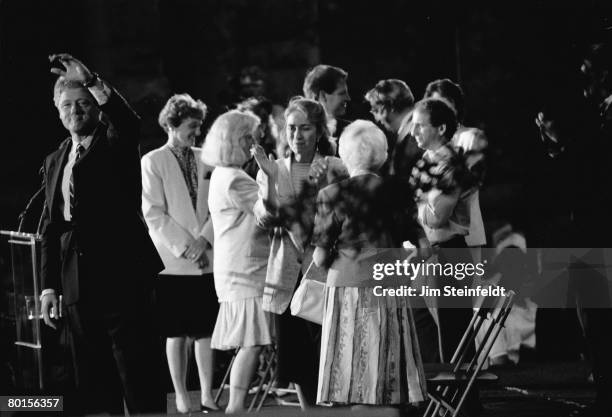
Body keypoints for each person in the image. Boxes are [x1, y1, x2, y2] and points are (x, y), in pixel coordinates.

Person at [39, 53, 165, 415]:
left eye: (83, 103)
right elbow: (51, 228)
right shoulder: (55, 160)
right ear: (57, 110)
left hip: (123, 281)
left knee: (138, 378)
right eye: (67, 105)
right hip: (78, 287)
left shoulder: (114, 142)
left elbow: (128, 121)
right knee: (97, 383)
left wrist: (92, 79)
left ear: (95, 107)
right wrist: (49, 287)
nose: (75, 110)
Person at [312, 120, 428, 408]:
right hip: (389, 286)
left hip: (346, 286)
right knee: (386, 373)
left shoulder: (330, 195)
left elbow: (319, 257)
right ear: (383, 155)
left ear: (345, 155)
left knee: (352, 375)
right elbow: (422, 247)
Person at [252, 97, 345, 407]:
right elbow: (265, 219)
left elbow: (341, 220)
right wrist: (269, 184)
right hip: (287, 277)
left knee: (330, 357)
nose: (297, 135)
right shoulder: (273, 168)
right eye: (291, 128)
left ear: (319, 131)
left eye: (305, 128)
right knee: (299, 365)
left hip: (324, 273)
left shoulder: (334, 167)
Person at [141, 94, 219, 413]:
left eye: (199, 127)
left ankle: (207, 395)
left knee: (205, 331)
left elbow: (218, 204)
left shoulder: (207, 158)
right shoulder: (153, 161)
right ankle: (182, 397)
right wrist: (188, 246)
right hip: (173, 262)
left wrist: (204, 240)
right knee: (176, 333)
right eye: (191, 126)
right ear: (172, 124)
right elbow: (153, 213)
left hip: (207, 257)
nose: (196, 133)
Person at [201, 109, 273, 414]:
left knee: (253, 341)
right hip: (246, 270)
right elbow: (270, 213)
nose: (254, 143)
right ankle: (236, 407)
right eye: (250, 138)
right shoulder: (233, 178)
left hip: (239, 267)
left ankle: (237, 405)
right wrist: (270, 173)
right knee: (252, 341)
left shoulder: (223, 173)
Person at [423, 78, 487, 262]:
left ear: (456, 106)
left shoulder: (470, 137)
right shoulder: (429, 144)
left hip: (466, 235)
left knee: (468, 287)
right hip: (437, 237)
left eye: (446, 103)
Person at [364, 79, 423, 178]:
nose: (376, 119)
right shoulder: (420, 126)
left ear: (387, 107)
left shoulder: (413, 135)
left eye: (374, 110)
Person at [303, 64, 351, 139]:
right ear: (323, 96)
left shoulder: (352, 132)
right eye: (341, 93)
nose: (348, 98)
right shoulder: (301, 136)